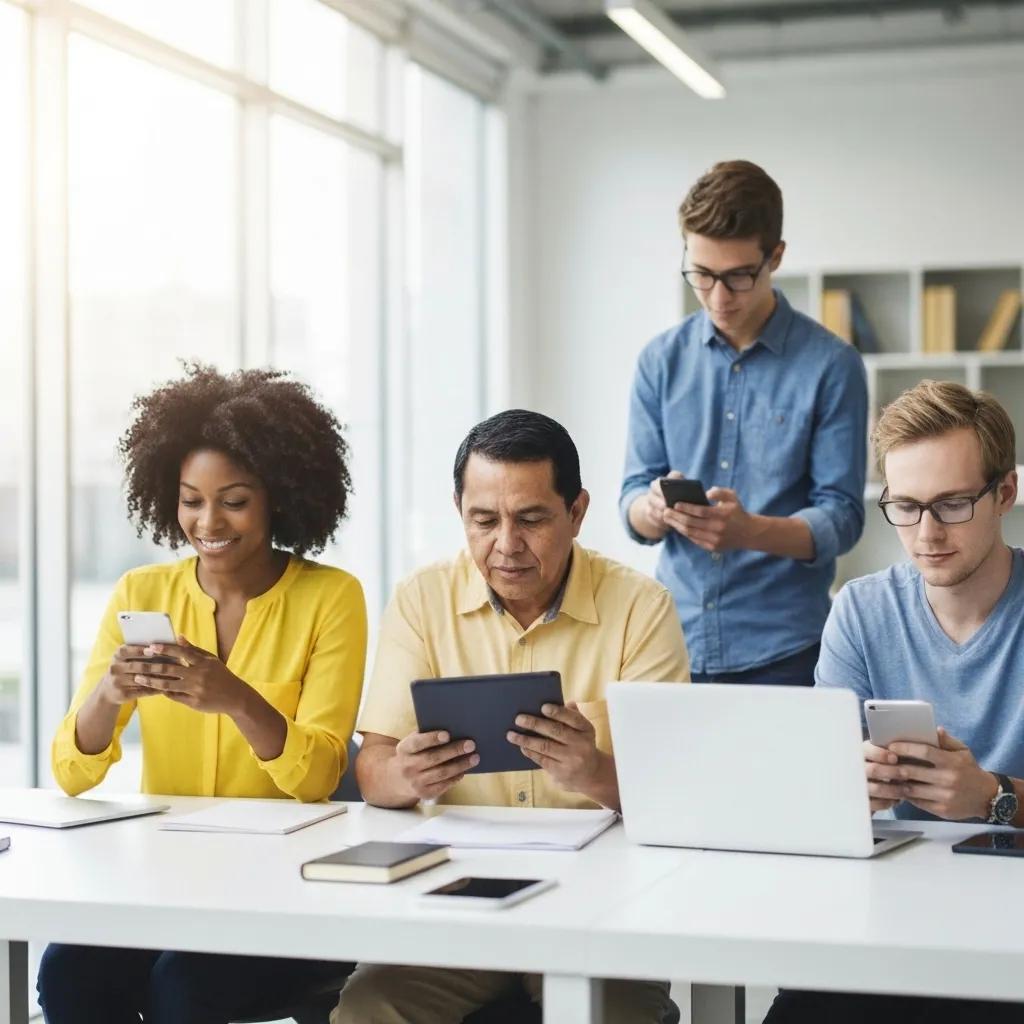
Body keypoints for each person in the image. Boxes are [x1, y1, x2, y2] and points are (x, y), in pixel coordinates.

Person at [331, 409, 690, 1024]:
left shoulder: (641, 607)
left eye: (531, 519)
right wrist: (406, 776)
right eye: (484, 520)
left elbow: (677, 797)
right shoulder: (421, 600)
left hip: (602, 902)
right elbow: (374, 770)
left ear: (576, 512)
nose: (506, 544)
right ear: (459, 511)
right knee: (368, 1008)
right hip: (457, 895)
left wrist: (593, 771)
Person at [39, 364, 367, 1024]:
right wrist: (108, 693)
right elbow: (72, 774)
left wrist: (236, 698)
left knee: (184, 987)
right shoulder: (142, 593)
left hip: (284, 886)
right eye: (191, 500)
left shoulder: (331, 598)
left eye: (234, 500)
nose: (208, 520)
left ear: (279, 497)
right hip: (167, 878)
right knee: (68, 972)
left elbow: (319, 777)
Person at [766, 379, 1024, 1024]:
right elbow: (813, 794)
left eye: (953, 504)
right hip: (891, 911)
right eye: (905, 506)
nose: (926, 533)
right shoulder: (861, 609)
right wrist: (848, 787)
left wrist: (994, 797)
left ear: (1006, 493)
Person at [621, 159, 867, 686]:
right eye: (701, 274)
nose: (718, 297)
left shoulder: (832, 365)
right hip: (671, 644)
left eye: (737, 276)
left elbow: (843, 517)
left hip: (786, 651)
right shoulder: (659, 362)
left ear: (775, 257)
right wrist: (653, 508)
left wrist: (749, 531)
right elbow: (631, 501)